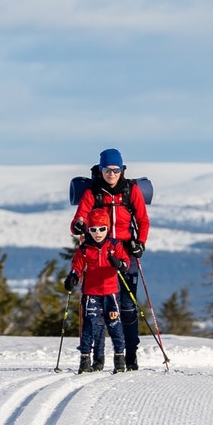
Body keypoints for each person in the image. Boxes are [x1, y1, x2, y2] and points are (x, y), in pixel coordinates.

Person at [71, 148, 149, 370]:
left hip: (124, 251)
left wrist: (140, 243)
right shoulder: (93, 193)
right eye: (107, 170)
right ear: (101, 170)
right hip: (99, 254)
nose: (112, 175)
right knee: (95, 308)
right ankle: (96, 357)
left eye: (116, 170)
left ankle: (130, 354)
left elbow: (143, 220)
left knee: (127, 306)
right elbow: (79, 218)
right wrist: (79, 225)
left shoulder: (130, 191)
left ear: (122, 170)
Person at [63, 209, 132, 373]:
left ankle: (119, 359)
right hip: (91, 293)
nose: (97, 233)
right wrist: (73, 277)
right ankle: (87, 360)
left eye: (102, 229)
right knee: (90, 326)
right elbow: (76, 266)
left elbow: (126, 263)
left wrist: (119, 264)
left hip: (111, 292)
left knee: (114, 325)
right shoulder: (85, 249)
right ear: (88, 230)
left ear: (107, 228)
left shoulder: (114, 245)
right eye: (93, 229)